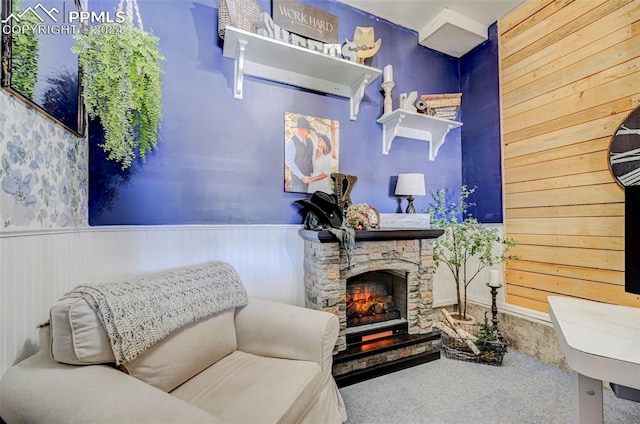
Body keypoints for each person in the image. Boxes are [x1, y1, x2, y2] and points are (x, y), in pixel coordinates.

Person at [284, 116, 314, 193]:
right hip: (298, 179)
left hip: (309, 178)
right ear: (300, 130)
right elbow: (290, 162)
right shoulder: (291, 142)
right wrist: (302, 177)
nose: (309, 133)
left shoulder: (309, 141)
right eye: (308, 131)